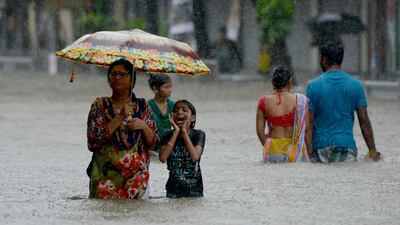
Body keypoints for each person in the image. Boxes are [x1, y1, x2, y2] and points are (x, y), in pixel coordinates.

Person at [86, 58, 158, 199]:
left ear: (132, 80)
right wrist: (120, 116)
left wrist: (143, 126)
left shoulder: (143, 106)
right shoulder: (100, 105)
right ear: (108, 79)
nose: (117, 78)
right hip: (105, 175)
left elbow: (154, 143)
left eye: (122, 74)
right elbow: (93, 141)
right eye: (113, 74)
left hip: (137, 177)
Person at [306, 39, 381, 163]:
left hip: (320, 149)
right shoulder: (356, 85)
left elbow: (308, 126)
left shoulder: (313, 86)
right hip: (347, 148)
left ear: (323, 59)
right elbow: (364, 122)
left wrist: (309, 156)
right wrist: (372, 150)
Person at [256, 66, 311, 163]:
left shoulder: (264, 102)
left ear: (272, 82)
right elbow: (306, 129)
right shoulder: (300, 101)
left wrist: (267, 145)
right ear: (290, 81)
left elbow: (260, 131)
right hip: (294, 151)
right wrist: (310, 154)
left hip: (273, 151)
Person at [159, 100, 206, 198]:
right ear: (172, 116)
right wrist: (176, 132)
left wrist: (184, 132)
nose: (179, 112)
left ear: (192, 117)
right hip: (173, 191)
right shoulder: (167, 134)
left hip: (194, 191)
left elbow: (195, 157)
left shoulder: (198, 135)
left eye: (184, 110)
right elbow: (162, 158)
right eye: (176, 111)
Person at [147, 74, 175, 154]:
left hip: (167, 146)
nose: (170, 90)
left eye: (170, 86)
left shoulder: (173, 105)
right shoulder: (147, 106)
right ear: (155, 89)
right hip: (152, 148)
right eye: (166, 87)